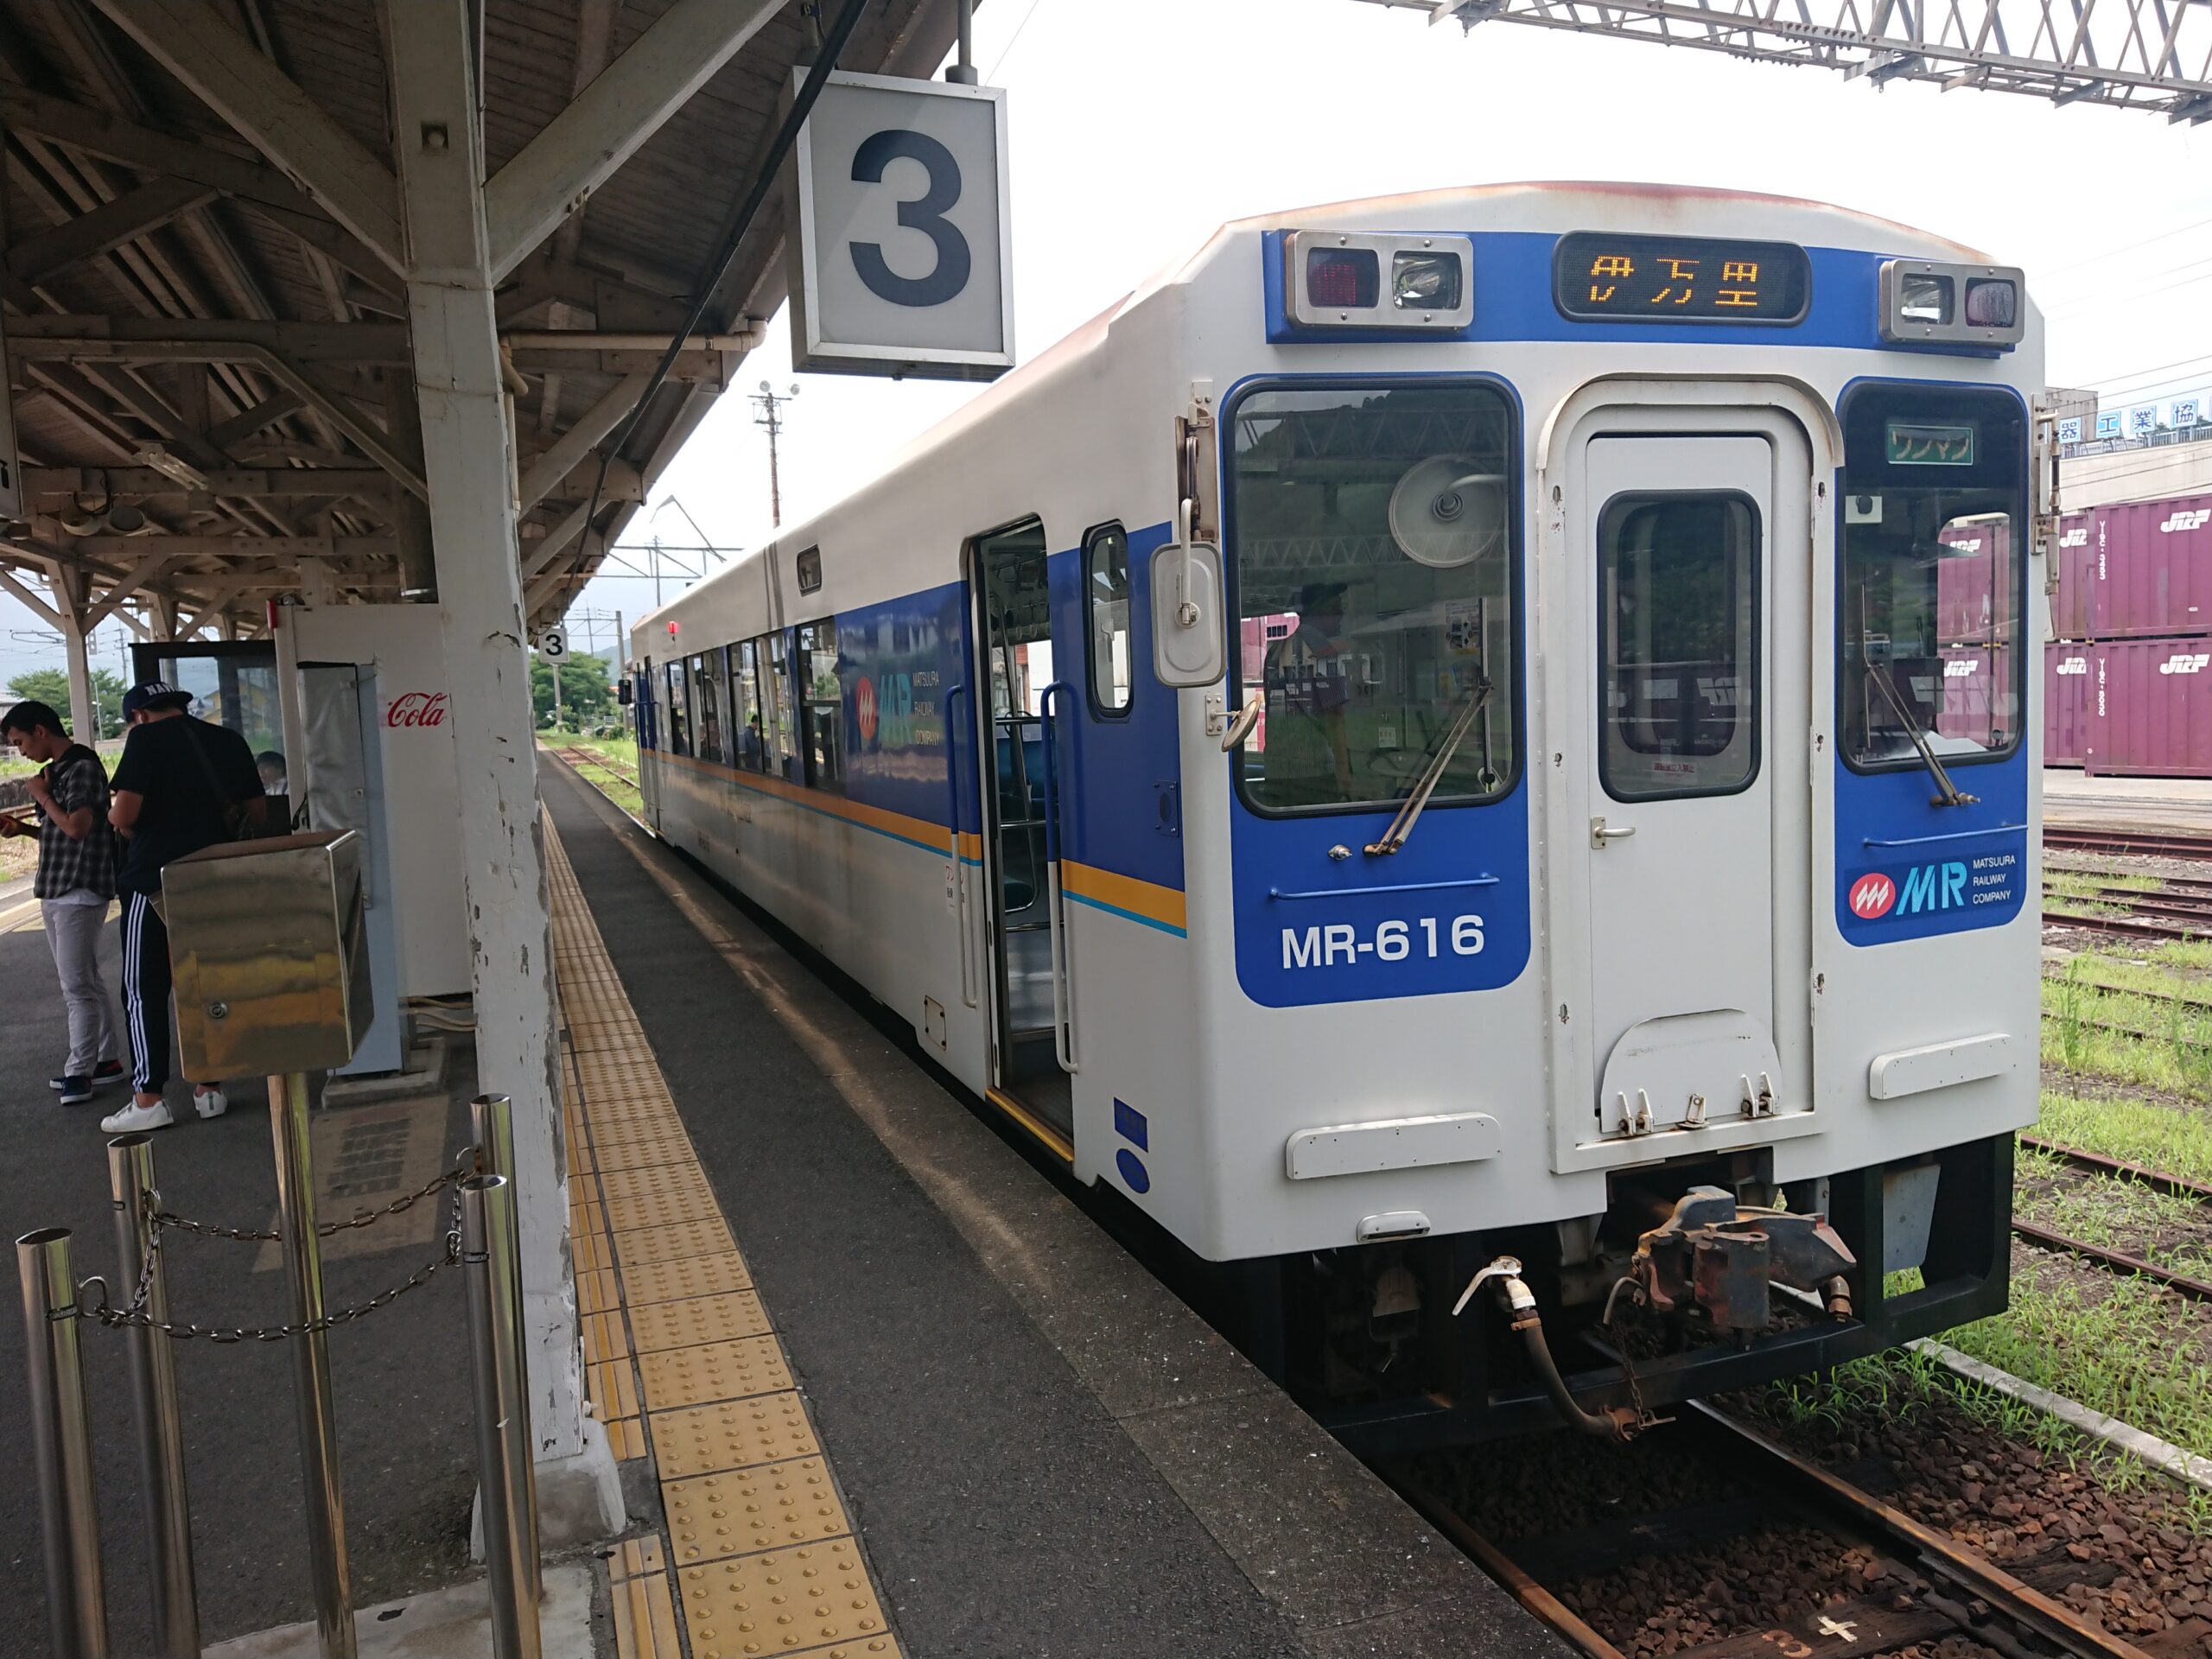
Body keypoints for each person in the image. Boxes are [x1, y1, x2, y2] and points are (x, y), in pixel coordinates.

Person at [100, 682, 267, 1135]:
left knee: (142, 988)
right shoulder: (227, 739)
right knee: (202, 983)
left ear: (139, 715)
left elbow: (124, 815)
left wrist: (120, 817)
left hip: (153, 881)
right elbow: (259, 813)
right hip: (213, 879)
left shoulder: (145, 740)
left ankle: (148, 1096)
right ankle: (209, 1088)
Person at [0, 701, 123, 1104]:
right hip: (58, 888)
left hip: (79, 891)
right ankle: (106, 1060)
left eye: (20, 742)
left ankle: (79, 1072)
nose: (21, 752)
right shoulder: (60, 770)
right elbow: (62, 833)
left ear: (40, 730)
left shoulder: (82, 767)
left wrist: (41, 796)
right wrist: (24, 830)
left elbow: (78, 826)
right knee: (85, 979)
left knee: (76, 987)